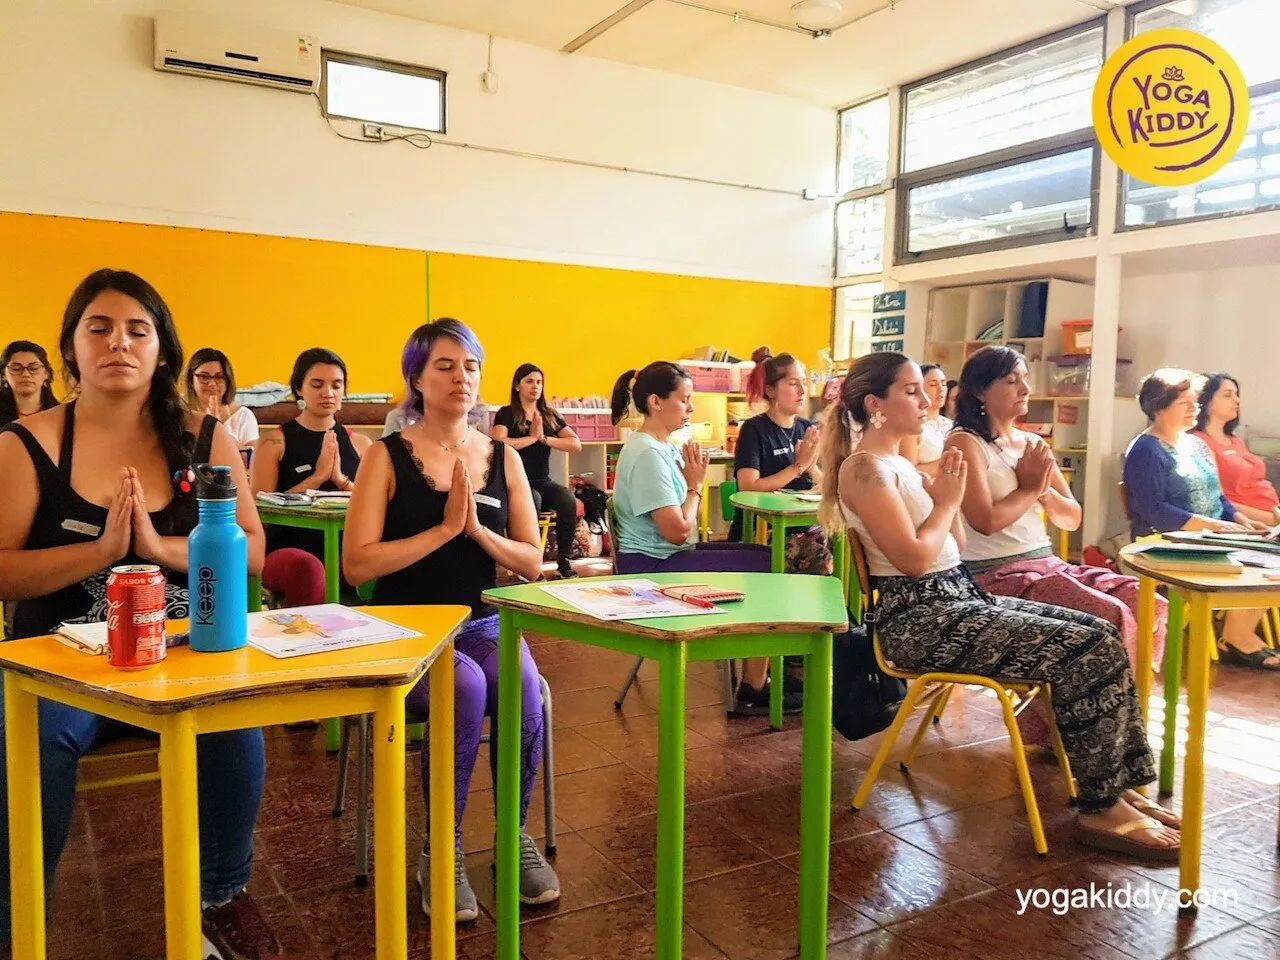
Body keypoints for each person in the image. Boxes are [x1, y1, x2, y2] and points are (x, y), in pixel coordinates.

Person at [0, 269, 284, 958]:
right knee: (33, 737)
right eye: (98, 327)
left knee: (233, 724)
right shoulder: (25, 443)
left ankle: (221, 897)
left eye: (138, 330)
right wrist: (100, 549)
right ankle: (18, 923)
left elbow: (251, 551)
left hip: (186, 654)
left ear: (163, 351)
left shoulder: (204, 437)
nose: (118, 343)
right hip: (64, 665)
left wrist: (158, 547)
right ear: (71, 349)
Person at [820, 351, 1181, 861]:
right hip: (919, 619)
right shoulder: (863, 471)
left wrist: (946, 493)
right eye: (910, 391)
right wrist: (946, 499)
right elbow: (914, 561)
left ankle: (1115, 788)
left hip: (957, 597)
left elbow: (956, 545)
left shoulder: (901, 465)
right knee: (1082, 646)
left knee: (1099, 632)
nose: (927, 399)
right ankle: (1101, 807)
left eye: (925, 390)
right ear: (875, 405)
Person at [344, 319, 559, 923]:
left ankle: (513, 836)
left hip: (481, 623)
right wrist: (440, 531)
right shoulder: (386, 456)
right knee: (463, 689)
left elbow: (532, 561)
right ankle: (443, 849)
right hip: (404, 626)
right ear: (416, 376)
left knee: (519, 685)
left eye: (470, 366)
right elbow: (357, 565)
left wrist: (475, 532)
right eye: (444, 365)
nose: (460, 377)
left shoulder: (503, 459)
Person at [946, 346, 1168, 743]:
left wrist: (1042, 493)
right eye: (1011, 380)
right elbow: (985, 520)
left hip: (1047, 565)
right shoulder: (965, 442)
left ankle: (1096, 722)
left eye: (1024, 378)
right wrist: (1031, 488)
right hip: (996, 576)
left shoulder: (1033, 446)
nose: (1024, 388)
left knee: (1148, 602)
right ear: (980, 391)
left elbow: (1071, 517)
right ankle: (1098, 734)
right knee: (1109, 614)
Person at [609, 362, 796, 715]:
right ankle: (754, 687)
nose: (691, 408)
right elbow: (677, 531)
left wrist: (690, 480)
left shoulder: (661, 446)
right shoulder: (647, 453)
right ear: (656, 402)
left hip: (666, 555)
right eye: (685, 399)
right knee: (768, 568)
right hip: (653, 566)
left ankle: (760, 674)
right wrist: (694, 484)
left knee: (763, 556)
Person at [1124, 369, 1276, 670]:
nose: (1195, 409)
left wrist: (1242, 519)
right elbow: (1154, 509)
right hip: (1168, 541)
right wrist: (1215, 526)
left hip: (1212, 535)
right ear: (1159, 407)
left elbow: (1218, 498)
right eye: (1185, 403)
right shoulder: (1145, 450)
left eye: (1195, 402)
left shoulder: (1195, 445)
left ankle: (1239, 632)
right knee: (1265, 558)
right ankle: (1237, 635)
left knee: (1274, 546)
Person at [250, 348, 372, 599]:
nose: (328, 393)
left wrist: (340, 480)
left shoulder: (361, 444)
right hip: (287, 550)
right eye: (317, 384)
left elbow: (374, 508)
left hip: (345, 548)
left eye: (337, 385)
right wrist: (316, 479)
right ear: (299, 389)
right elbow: (258, 515)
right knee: (310, 569)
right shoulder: (274, 442)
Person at [491, 363, 584, 579]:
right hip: (514, 482)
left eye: (539, 382)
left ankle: (563, 560)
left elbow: (575, 443)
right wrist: (530, 438)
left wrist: (543, 439)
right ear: (517, 386)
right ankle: (527, 564)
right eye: (529, 381)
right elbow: (498, 443)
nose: (535, 386)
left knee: (567, 500)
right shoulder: (507, 414)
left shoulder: (549, 415)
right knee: (533, 500)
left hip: (542, 480)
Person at [1192, 373, 1280, 526]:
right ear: (1206, 401)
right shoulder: (1198, 442)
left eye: (1236, 395)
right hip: (1251, 524)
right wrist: (1273, 520)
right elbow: (1216, 500)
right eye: (1227, 395)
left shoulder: (1235, 440)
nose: (1237, 400)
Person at [185, 347, 260, 450]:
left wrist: (219, 429)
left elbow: (251, 458)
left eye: (219, 377)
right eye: (204, 377)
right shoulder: (180, 413)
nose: (211, 384)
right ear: (191, 379)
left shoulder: (243, 416)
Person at [902, 363, 952, 476]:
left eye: (943, 384)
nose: (941, 389)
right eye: (933, 385)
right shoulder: (912, 427)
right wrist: (947, 462)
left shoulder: (951, 424)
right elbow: (907, 473)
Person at [0, 339, 59, 425]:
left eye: (33, 368)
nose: (26, 374)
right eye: (16, 369)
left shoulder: (61, 416)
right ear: (4, 375)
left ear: (46, 373)